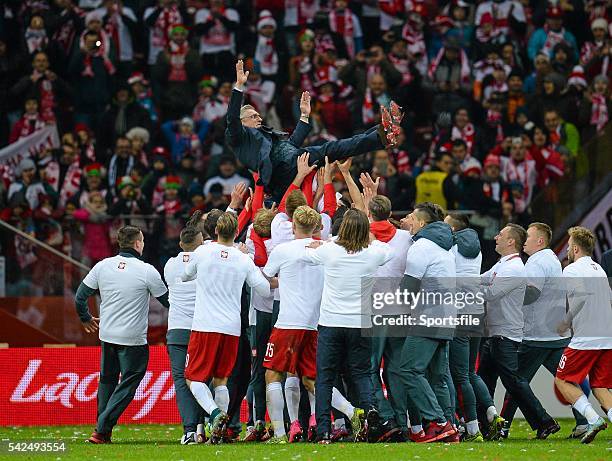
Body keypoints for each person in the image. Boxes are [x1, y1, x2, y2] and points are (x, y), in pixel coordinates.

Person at [226, 60, 401, 202]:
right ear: (242, 122)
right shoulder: (238, 137)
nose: (259, 118)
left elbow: (291, 146)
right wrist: (239, 87)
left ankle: (384, 133)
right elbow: (232, 118)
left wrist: (304, 116)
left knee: (337, 147)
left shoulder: (264, 137)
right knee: (331, 148)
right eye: (254, 116)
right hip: (281, 172)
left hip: (290, 166)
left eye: (258, 115)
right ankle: (383, 136)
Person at [262, 205, 360, 444]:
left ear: (293, 226)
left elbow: (267, 277)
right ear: (317, 227)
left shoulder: (282, 250)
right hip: (317, 322)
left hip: (288, 323)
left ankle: (279, 434)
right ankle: (352, 412)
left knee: (272, 374)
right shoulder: (327, 249)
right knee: (312, 380)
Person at [182, 212, 275, 444]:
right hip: (232, 328)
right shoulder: (242, 259)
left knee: (193, 378)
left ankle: (215, 415)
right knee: (221, 379)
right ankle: (219, 433)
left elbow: (185, 275)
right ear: (236, 233)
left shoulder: (202, 251)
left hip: (205, 325)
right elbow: (264, 289)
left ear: (215, 231)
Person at [74, 225, 169, 444]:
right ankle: (102, 427)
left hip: (107, 336)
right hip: (133, 340)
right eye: (142, 240)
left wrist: (86, 317)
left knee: (107, 381)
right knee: (128, 383)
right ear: (137, 244)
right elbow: (168, 302)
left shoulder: (102, 266)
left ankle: (102, 431)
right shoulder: (147, 270)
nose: (143, 244)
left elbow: (80, 297)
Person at [303, 209, 392, 443]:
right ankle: (370, 409)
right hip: (360, 323)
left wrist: (327, 242)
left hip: (331, 323)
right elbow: (387, 250)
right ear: (365, 230)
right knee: (362, 373)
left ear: (342, 229)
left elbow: (309, 252)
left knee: (325, 377)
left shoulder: (330, 251)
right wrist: (370, 239)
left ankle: (323, 431)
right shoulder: (373, 254)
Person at [500, 222, 588, 438]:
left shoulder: (536, 263)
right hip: (555, 335)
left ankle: (504, 427)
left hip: (537, 335)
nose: (524, 241)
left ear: (539, 241)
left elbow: (532, 294)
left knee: (515, 382)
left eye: (528, 237)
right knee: (566, 381)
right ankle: (585, 422)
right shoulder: (551, 259)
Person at [478, 224, 561, 440]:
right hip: (496, 332)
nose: (495, 237)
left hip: (506, 333)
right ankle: (486, 427)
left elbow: (491, 294)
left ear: (510, 242)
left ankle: (544, 421)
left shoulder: (515, 269)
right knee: (484, 379)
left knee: (513, 381)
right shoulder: (502, 265)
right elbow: (481, 281)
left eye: (501, 235)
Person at [398, 202, 457, 443]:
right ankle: (450, 426)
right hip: (446, 316)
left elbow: (408, 289)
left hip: (428, 316)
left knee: (408, 369)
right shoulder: (445, 246)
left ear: (422, 223)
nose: (407, 220)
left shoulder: (421, 247)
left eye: (411, 217)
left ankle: (439, 422)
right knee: (437, 377)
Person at [555, 226, 612, 444]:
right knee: (599, 385)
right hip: (607, 335)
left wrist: (565, 322)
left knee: (562, 380)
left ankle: (592, 419)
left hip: (586, 337)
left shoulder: (571, 270)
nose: (568, 249)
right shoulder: (598, 268)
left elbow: (578, 299)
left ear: (576, 248)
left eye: (569, 246)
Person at [444, 212, 493, 442]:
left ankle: (471, 428)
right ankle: (492, 412)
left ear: (453, 230)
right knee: (470, 373)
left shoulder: (451, 250)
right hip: (477, 312)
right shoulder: (477, 250)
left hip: (459, 313)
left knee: (460, 375)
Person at [164, 213, 206, 445]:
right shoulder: (206, 261)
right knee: (204, 378)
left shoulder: (170, 265)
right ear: (201, 243)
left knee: (182, 381)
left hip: (178, 330)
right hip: (202, 329)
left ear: (180, 244)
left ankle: (189, 430)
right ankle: (204, 427)